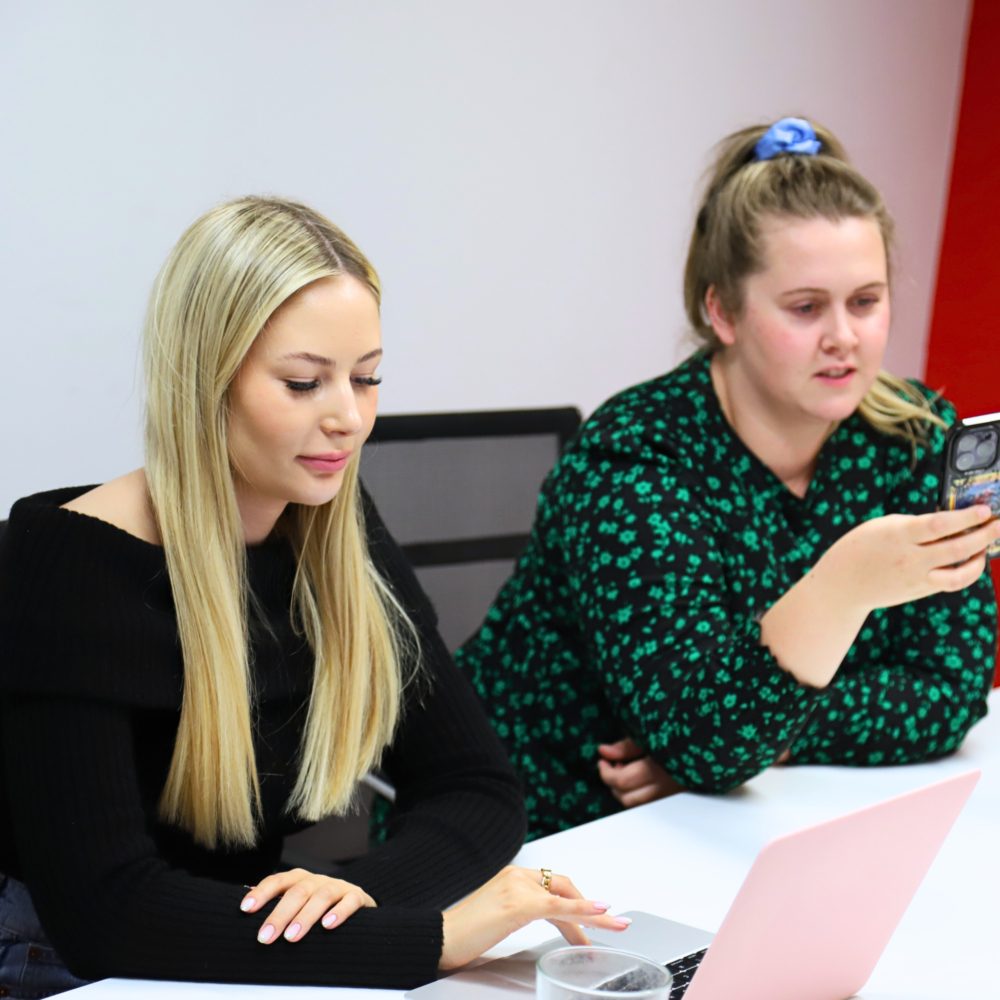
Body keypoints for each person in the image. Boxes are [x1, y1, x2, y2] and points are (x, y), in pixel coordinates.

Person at [0, 197, 631, 998]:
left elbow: (476, 784)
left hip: (238, 936)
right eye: (304, 382)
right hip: (62, 957)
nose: (349, 419)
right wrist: (428, 939)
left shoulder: (332, 525)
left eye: (366, 379)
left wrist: (367, 895)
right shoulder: (67, 561)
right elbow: (106, 912)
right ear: (205, 382)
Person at [456, 117, 1000, 840]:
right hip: (545, 836)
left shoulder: (914, 435)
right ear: (723, 311)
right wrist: (844, 587)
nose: (844, 336)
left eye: (865, 301)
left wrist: (772, 740)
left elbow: (950, 692)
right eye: (806, 308)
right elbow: (707, 744)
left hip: (740, 828)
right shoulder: (635, 458)